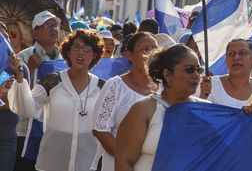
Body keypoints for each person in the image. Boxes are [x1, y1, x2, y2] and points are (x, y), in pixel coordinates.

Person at [8, 29, 105, 171]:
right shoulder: (52, 81)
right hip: (51, 162)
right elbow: (27, 108)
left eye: (87, 48)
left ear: (95, 54)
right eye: (76, 47)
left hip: (87, 163)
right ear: (68, 52)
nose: (80, 52)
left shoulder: (102, 87)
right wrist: (20, 77)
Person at [115, 44, 209, 171]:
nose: (196, 75)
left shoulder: (206, 109)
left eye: (199, 70)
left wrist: (245, 116)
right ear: (168, 75)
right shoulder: (144, 109)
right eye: (189, 69)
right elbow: (123, 162)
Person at [92, 32, 159, 171]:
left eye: (155, 49)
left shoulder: (163, 88)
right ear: (129, 55)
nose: (151, 54)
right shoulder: (116, 86)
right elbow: (101, 130)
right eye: (145, 49)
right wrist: (128, 160)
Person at [16, 10, 64, 170]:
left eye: (55, 25)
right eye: (47, 26)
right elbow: (10, 89)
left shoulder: (65, 59)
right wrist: (27, 68)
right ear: (35, 32)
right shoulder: (23, 56)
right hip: (25, 132)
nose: (53, 29)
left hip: (54, 132)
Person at [0, 21, 30, 171]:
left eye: (7, 37)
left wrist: (18, 73)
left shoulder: (20, 68)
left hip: (7, 139)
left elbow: (22, 105)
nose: (4, 42)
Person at [207, 39, 252, 108]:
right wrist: (202, 96)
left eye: (243, 53)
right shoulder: (209, 85)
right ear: (225, 60)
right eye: (231, 54)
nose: (236, 57)